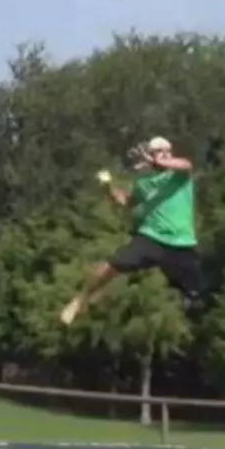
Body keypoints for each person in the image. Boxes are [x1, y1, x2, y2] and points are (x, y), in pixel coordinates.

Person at [59, 135, 202, 325]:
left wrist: (160, 161)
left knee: (197, 294)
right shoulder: (143, 182)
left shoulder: (179, 176)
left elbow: (186, 164)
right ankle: (81, 299)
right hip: (152, 237)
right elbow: (125, 202)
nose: (164, 154)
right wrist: (108, 187)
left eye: (167, 151)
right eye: (159, 151)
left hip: (181, 242)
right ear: (150, 156)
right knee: (114, 265)